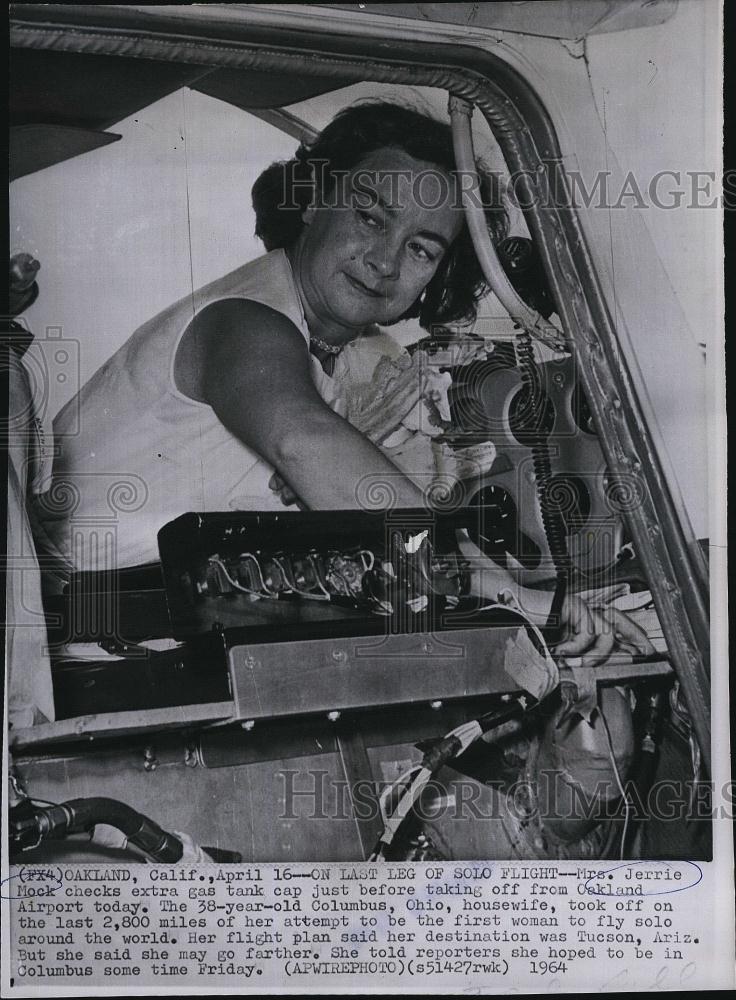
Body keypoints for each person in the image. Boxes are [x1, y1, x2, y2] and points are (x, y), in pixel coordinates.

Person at [33, 101, 650, 662]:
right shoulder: (244, 321)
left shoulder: (352, 352)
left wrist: (527, 592)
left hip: (176, 629)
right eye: (370, 217)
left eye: (422, 249)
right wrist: (508, 594)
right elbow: (303, 442)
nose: (385, 260)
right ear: (311, 201)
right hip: (79, 643)